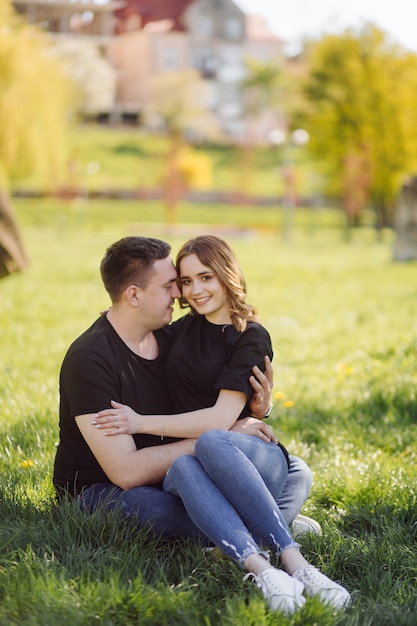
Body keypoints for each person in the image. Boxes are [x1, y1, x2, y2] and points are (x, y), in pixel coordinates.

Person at [92, 236, 350, 615]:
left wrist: (141, 421)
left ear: (227, 274)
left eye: (206, 277)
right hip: (196, 458)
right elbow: (130, 328)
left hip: (248, 452)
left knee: (211, 441)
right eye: (186, 281)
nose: (195, 290)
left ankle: (298, 564)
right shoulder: (181, 330)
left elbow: (218, 421)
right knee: (182, 464)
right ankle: (263, 570)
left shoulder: (251, 335)